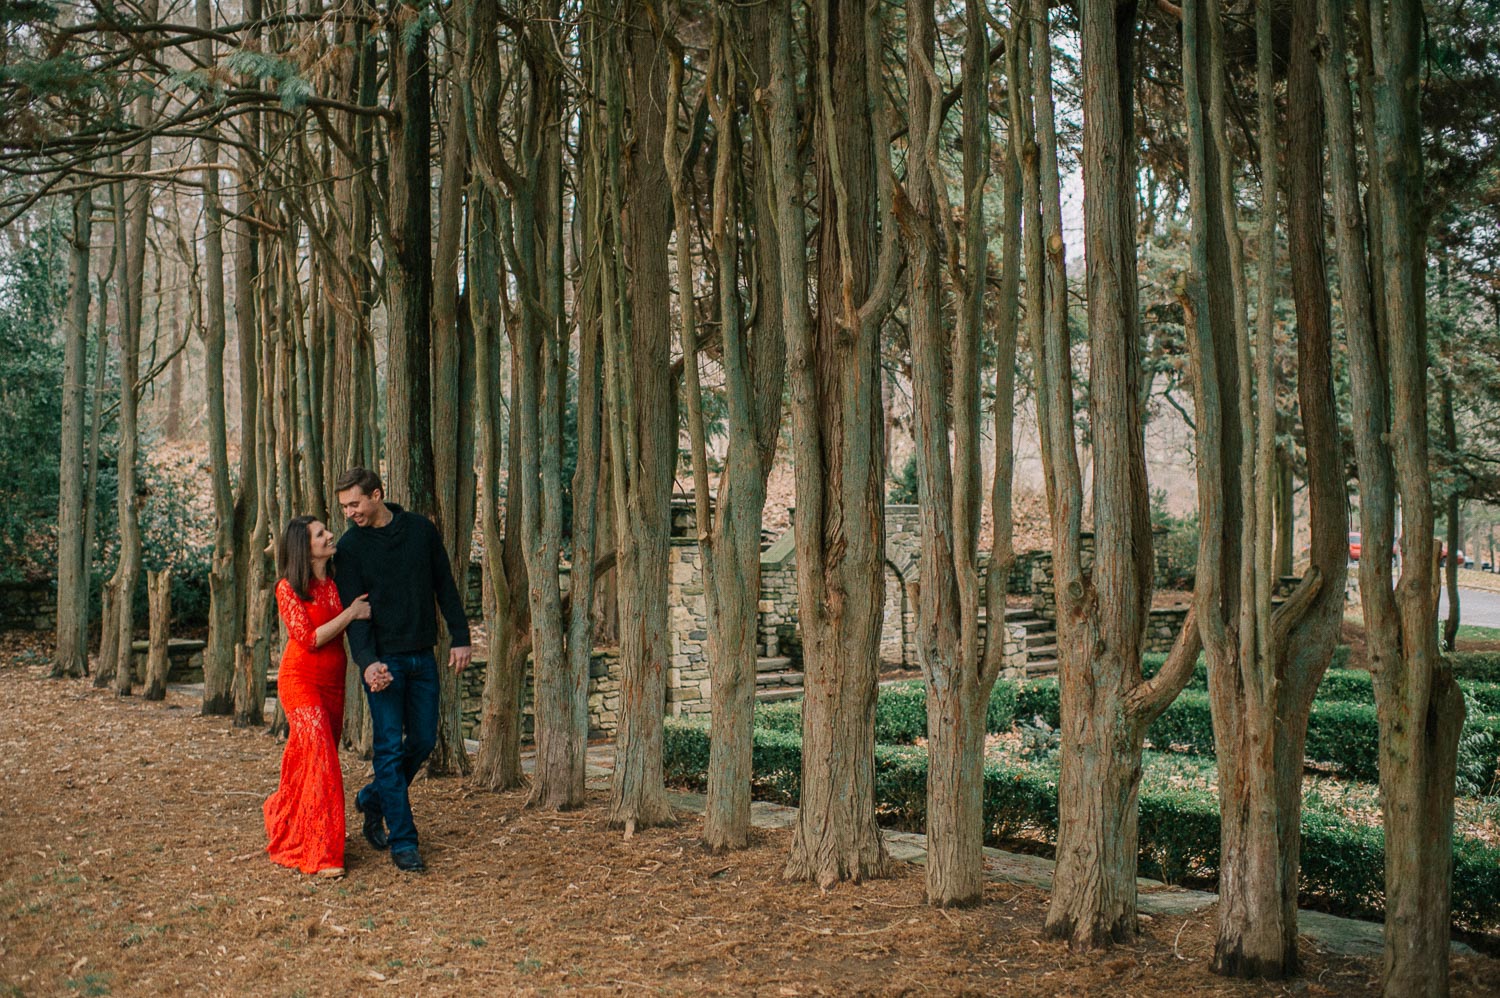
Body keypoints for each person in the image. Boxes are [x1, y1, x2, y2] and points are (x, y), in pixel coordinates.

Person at [334, 467, 471, 873]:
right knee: (389, 749)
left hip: (423, 656)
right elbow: (355, 616)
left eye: (354, 504)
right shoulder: (349, 549)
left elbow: (444, 584)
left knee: (424, 740)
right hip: (384, 663)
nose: (349, 513)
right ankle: (404, 841)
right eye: (344, 507)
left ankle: (373, 798)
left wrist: (460, 637)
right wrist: (368, 664)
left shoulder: (419, 531)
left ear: (377, 494)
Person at [264, 516, 371, 878]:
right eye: (320, 534)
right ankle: (323, 853)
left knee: (309, 761)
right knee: (322, 759)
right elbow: (309, 639)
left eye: (326, 530)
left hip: (333, 684)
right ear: (304, 548)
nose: (329, 536)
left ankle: (291, 819)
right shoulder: (288, 588)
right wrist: (350, 613)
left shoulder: (338, 580)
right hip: (300, 682)